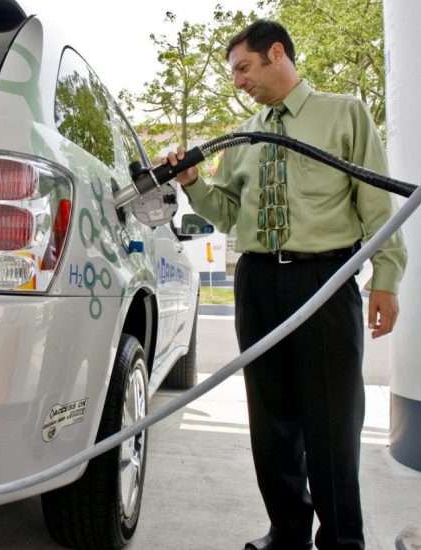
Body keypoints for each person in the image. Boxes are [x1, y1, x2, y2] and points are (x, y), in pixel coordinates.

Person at [165, 20, 407, 550]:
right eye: (233, 74)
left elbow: (377, 204)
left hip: (323, 279)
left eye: (244, 68)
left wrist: (386, 278)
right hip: (257, 281)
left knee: (332, 422)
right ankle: (288, 533)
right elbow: (228, 213)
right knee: (271, 422)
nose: (238, 81)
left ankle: (343, 540)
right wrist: (192, 184)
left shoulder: (345, 113)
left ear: (277, 53)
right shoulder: (246, 134)